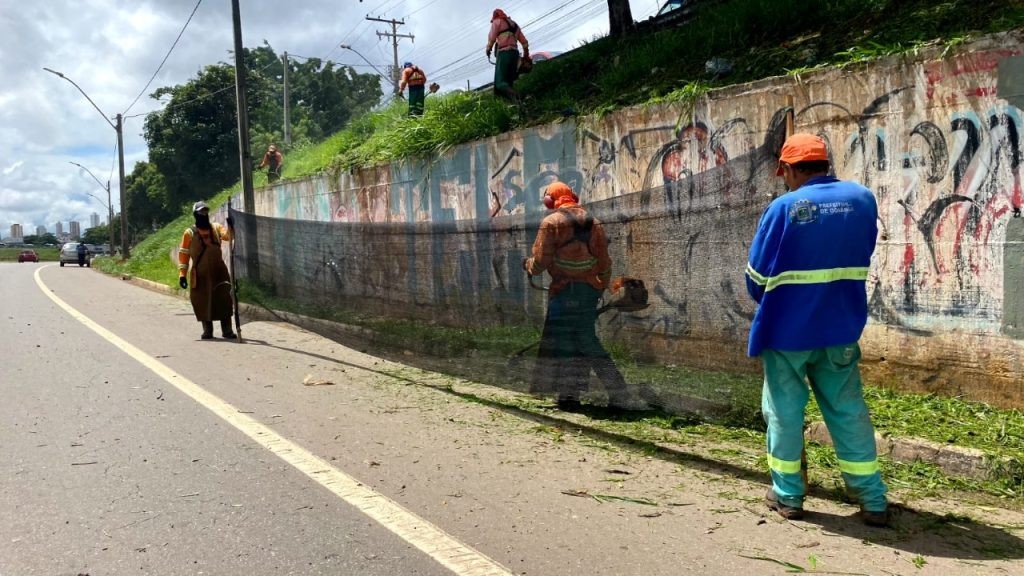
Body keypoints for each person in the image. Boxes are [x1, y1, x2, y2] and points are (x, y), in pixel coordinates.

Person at [745, 133, 889, 527]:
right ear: (825, 163)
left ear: (789, 169)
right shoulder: (862, 199)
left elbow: (756, 277)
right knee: (848, 410)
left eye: (784, 173)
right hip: (841, 325)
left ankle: (789, 495)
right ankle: (872, 498)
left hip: (786, 331)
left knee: (784, 413)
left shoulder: (784, 207)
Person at [523, 181, 640, 411]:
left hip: (563, 294)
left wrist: (528, 266)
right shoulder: (593, 222)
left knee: (570, 343)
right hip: (587, 293)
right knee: (583, 341)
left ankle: (616, 392)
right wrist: (599, 287)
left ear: (550, 201)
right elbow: (605, 262)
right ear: (572, 197)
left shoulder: (551, 222)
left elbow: (540, 262)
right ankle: (570, 396)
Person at [177, 201, 237, 340]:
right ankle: (207, 331)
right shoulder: (189, 233)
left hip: (219, 272)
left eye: (205, 211)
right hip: (200, 275)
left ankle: (227, 330)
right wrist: (182, 275)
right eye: (201, 212)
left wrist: (232, 225)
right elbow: (184, 255)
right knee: (202, 301)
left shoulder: (216, 228)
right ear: (195, 214)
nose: (204, 214)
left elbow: (228, 236)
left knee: (224, 299)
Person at [485, 8, 529, 100]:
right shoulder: (514, 24)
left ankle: (517, 97)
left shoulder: (497, 22)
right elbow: (524, 42)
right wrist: (526, 56)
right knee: (509, 81)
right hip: (515, 54)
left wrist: (488, 49)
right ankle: (513, 104)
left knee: (500, 83)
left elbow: (492, 38)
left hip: (504, 54)